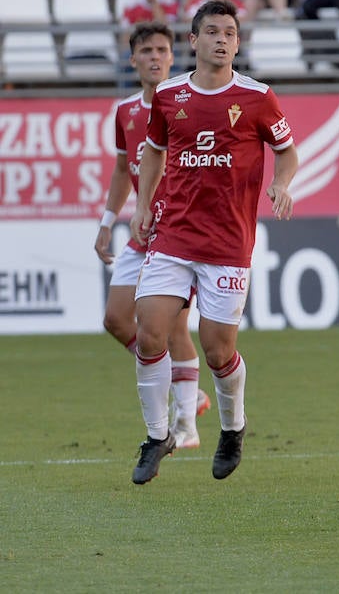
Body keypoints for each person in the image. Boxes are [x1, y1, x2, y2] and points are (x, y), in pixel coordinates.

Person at [128, 0, 297, 484]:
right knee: (149, 329)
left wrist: (282, 185)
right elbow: (155, 154)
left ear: (238, 43)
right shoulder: (168, 96)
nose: (222, 39)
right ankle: (159, 434)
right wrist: (142, 206)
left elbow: (287, 153)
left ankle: (232, 428)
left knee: (217, 350)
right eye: (213, 31)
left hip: (228, 243)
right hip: (174, 235)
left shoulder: (259, 97)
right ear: (194, 40)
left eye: (230, 33)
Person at [95, 23, 211, 453]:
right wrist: (107, 220)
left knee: (174, 326)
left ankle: (186, 425)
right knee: (115, 318)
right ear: (134, 59)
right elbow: (125, 169)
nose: (156, 57)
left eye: (163, 49)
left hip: (178, 233)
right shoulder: (125, 111)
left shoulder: (186, 100)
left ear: (172, 55)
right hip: (141, 230)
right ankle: (186, 392)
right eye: (147, 51)